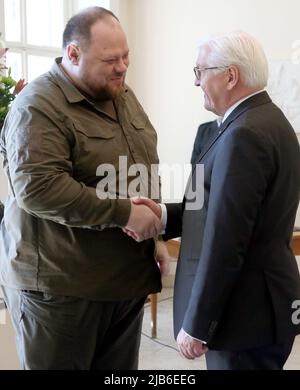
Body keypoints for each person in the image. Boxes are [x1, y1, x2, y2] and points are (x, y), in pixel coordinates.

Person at [0, 7, 169, 370]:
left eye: (126, 56)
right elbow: (40, 188)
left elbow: (138, 167)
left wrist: (151, 235)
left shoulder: (121, 95)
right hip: (62, 292)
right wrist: (125, 213)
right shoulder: (38, 106)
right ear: (73, 54)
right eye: (111, 59)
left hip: (123, 283)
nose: (122, 67)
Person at [125, 31, 300, 370]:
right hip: (259, 311)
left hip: (243, 317)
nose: (197, 81)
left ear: (230, 76)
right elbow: (216, 208)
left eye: (201, 71)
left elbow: (226, 238)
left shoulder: (245, 133)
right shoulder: (268, 121)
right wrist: (162, 215)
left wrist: (199, 324)